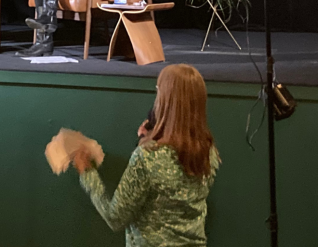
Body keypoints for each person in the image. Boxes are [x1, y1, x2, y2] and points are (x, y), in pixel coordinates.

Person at [72, 64, 221, 246]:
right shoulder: (209, 152)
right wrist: (149, 138)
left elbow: (115, 218)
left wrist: (86, 171)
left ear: (164, 101)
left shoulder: (147, 157)